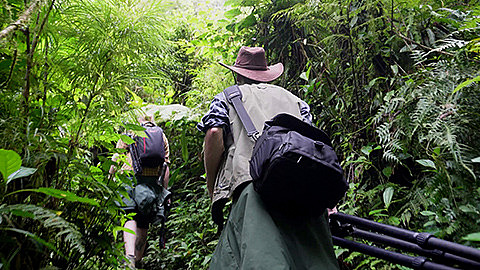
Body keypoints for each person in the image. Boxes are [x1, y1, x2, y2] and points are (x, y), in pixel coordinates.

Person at [198, 46, 340, 269]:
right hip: (304, 194)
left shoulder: (228, 97)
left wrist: (212, 187)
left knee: (262, 259)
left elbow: (214, 132)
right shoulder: (296, 101)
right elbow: (313, 147)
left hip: (253, 191)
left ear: (237, 74)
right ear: (266, 73)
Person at [110, 115, 171, 268]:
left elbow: (116, 156)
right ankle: (138, 260)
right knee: (143, 222)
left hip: (129, 179)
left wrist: (109, 178)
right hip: (151, 183)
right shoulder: (161, 136)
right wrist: (164, 191)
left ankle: (129, 257)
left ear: (138, 120)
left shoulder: (131, 133)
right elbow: (166, 167)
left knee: (129, 214)